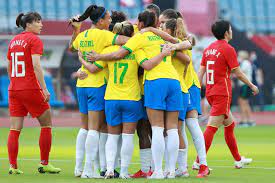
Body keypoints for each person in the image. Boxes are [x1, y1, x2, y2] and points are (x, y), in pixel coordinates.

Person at [85, 11, 192, 179]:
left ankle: (156, 171)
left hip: (154, 82)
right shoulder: (164, 37)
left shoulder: (139, 39)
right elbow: (187, 43)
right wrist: (165, 41)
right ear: (156, 23)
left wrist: (98, 56)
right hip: (174, 81)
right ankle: (171, 170)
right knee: (172, 129)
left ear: (140, 24)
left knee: (157, 128)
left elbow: (119, 54)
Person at [141, 9, 209, 178]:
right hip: (177, 86)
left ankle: (195, 165)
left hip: (184, 85)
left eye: (163, 22)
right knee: (176, 128)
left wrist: (172, 47)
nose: (159, 25)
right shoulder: (171, 39)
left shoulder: (182, 38)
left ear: (171, 23)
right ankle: (179, 167)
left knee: (183, 126)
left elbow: (187, 57)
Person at [68, 5, 129, 178]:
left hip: (82, 85)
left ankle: (78, 168)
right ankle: (89, 170)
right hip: (97, 85)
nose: (110, 21)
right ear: (100, 20)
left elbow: (72, 47)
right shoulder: (104, 35)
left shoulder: (83, 35)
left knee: (85, 128)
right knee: (95, 129)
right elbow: (127, 41)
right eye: (108, 18)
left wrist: (76, 29)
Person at [197, 20, 259, 173]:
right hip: (221, 93)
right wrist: (251, 85)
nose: (231, 31)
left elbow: (201, 71)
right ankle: (199, 161)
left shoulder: (209, 48)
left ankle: (238, 160)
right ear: (226, 33)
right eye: (230, 29)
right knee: (211, 128)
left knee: (230, 125)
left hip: (211, 92)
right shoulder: (228, 48)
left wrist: (196, 88)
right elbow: (237, 72)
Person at [6, 12, 61, 174]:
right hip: (30, 88)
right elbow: (37, 66)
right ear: (28, 24)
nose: (41, 25)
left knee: (15, 129)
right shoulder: (34, 39)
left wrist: (14, 83)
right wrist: (44, 88)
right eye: (37, 22)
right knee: (46, 124)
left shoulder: (14, 40)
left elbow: (9, 66)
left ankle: (13, 167)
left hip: (14, 89)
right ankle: (44, 163)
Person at [237, 51, 254, 127]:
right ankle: (249, 120)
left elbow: (240, 72)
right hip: (245, 85)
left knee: (243, 102)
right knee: (245, 102)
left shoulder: (245, 63)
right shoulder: (245, 63)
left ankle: (244, 120)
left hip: (245, 85)